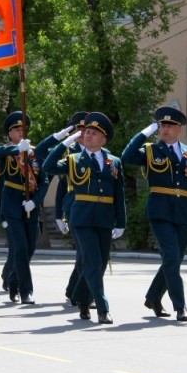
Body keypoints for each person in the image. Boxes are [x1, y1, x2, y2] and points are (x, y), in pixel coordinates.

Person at [121, 106, 187, 322]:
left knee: (174, 260)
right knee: (171, 257)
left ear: (179, 129)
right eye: (162, 125)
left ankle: (153, 297)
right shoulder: (151, 151)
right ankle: (180, 306)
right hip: (160, 211)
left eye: (170, 125)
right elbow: (127, 156)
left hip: (184, 213)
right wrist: (143, 134)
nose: (165, 129)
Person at [43, 112, 126, 324]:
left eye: (93, 133)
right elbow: (48, 167)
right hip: (81, 218)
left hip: (105, 218)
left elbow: (119, 194)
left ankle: (81, 297)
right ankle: (102, 307)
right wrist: (65, 143)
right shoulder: (73, 160)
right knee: (91, 261)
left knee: (100, 263)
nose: (87, 135)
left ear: (103, 139)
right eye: (86, 132)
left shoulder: (114, 162)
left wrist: (121, 222)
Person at [0, 111, 49, 304]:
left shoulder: (34, 152)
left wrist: (36, 200)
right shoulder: (7, 152)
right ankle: (26, 291)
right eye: (16, 129)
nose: (20, 131)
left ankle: (13, 280)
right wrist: (16, 150)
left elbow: (44, 181)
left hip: (30, 205)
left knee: (30, 248)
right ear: (10, 134)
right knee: (21, 248)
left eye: (23, 128)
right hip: (11, 205)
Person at [34, 111, 88, 305]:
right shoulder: (66, 151)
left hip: (95, 207)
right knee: (85, 252)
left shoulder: (99, 151)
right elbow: (39, 153)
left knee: (85, 254)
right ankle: (83, 293)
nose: (82, 133)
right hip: (74, 206)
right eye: (78, 129)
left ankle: (74, 290)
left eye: (86, 129)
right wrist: (59, 138)